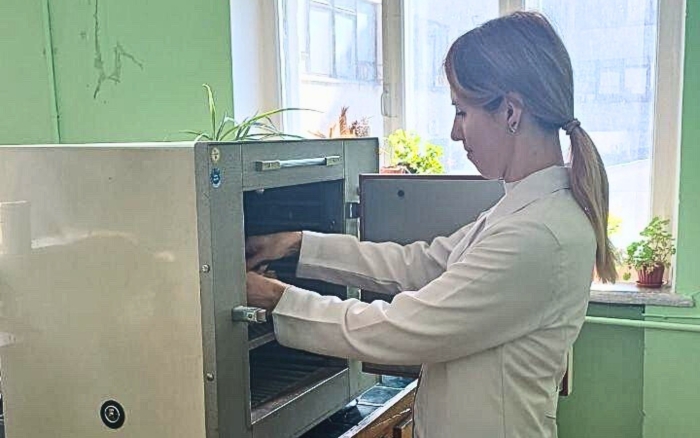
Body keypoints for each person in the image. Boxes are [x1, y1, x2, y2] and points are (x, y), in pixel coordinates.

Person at [245, 11, 617, 438]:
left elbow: (402, 329)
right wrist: (297, 244)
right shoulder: (525, 210)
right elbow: (421, 264)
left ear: (511, 112)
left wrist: (278, 300)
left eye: (462, 112)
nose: (455, 133)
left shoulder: (538, 235)